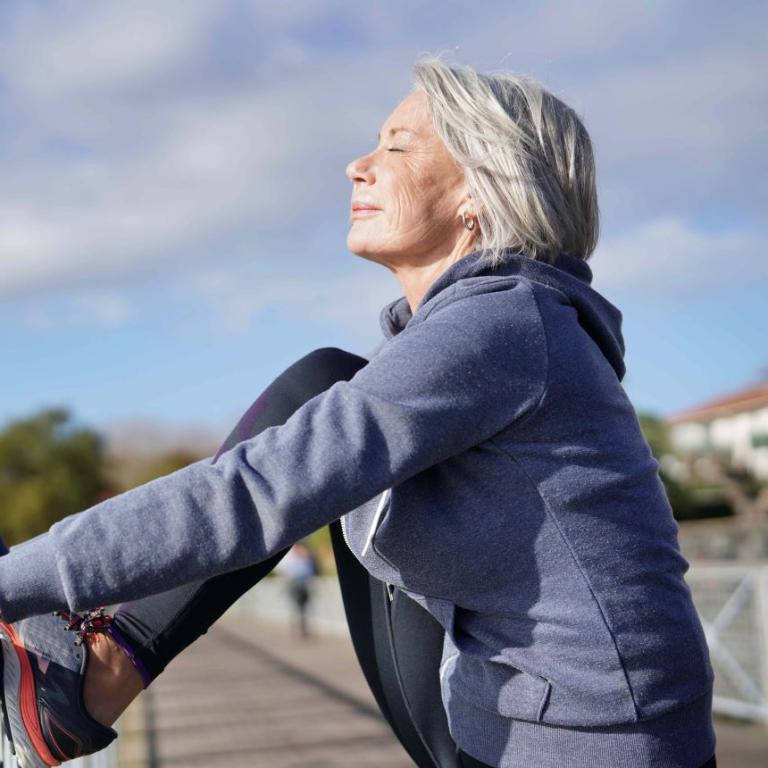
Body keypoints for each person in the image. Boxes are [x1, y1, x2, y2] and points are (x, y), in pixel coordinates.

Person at [0, 55, 717, 768]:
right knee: (325, 388)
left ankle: (91, 678)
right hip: (493, 721)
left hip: (593, 749)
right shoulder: (459, 339)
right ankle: (87, 678)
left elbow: (251, 494)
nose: (357, 166)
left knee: (314, 412)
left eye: (398, 147)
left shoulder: (505, 324)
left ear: (479, 192)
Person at [275, 541, 319, 638]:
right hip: (294, 586)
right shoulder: (291, 559)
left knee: (304, 609)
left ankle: (303, 629)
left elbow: (312, 572)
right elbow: (286, 573)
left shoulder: (308, 560)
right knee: (296, 608)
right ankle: (297, 629)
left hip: (305, 586)